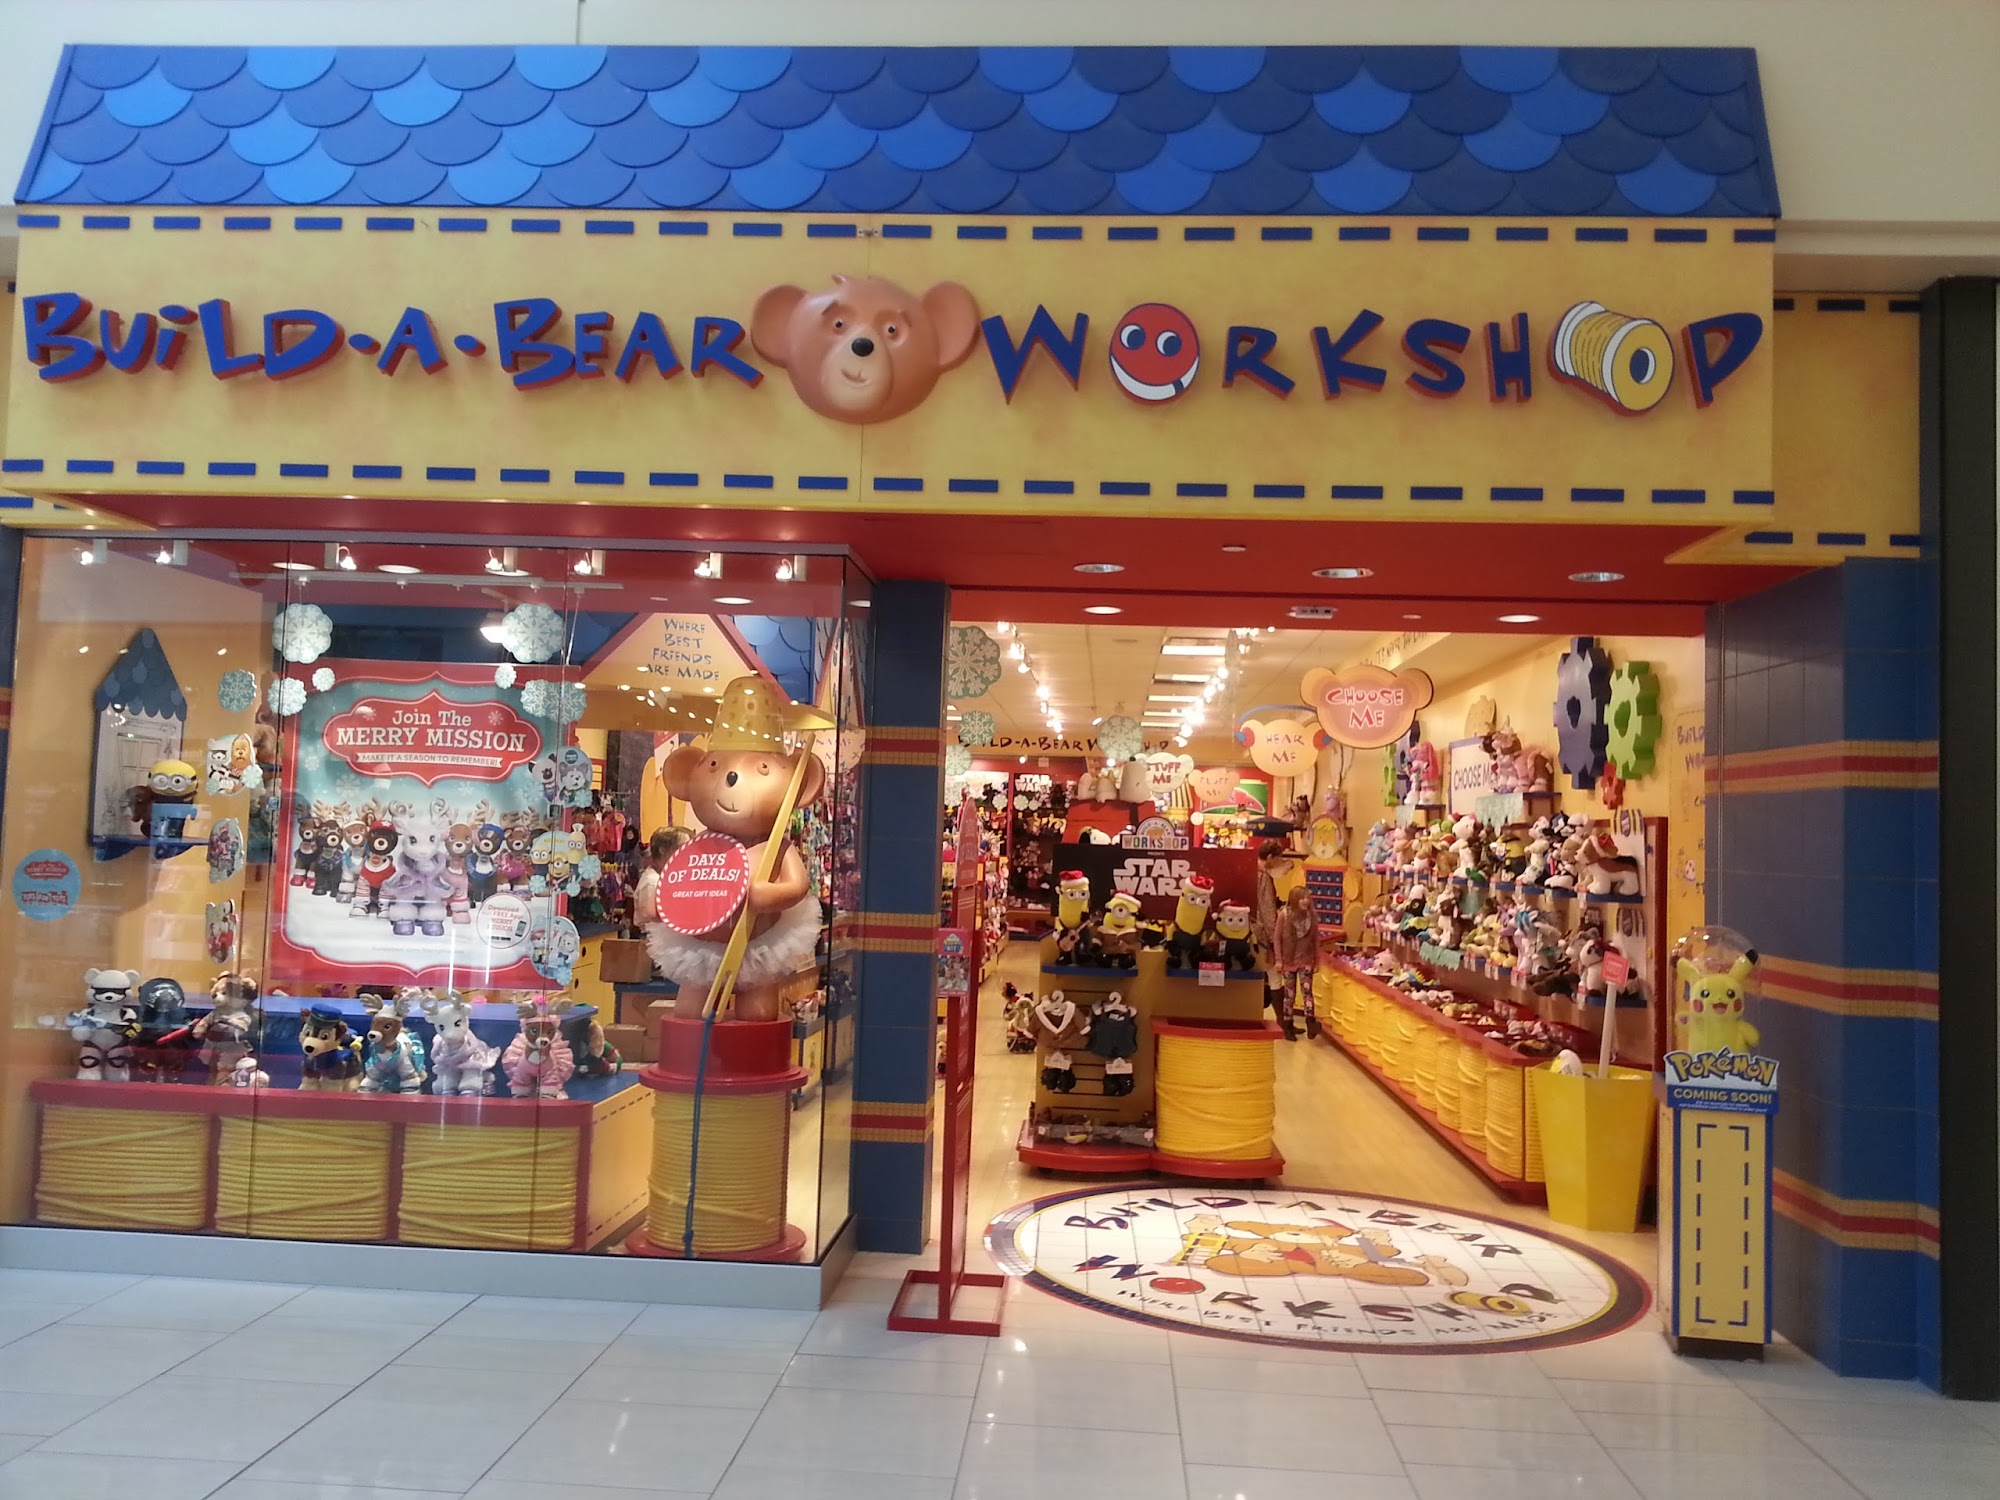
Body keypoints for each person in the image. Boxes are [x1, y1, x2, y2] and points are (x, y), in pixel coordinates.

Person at [1273, 886, 1321, 1040]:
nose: (1305, 901)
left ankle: (1311, 1023)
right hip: (1288, 960)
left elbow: (1316, 940)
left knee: (1307, 991)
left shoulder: (1311, 916)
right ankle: (1288, 1026)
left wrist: (1317, 960)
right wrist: (1279, 960)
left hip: (1305, 959)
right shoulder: (1284, 915)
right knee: (1289, 994)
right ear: (1294, 900)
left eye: (1307, 898)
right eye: (1302, 898)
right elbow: (1277, 938)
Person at [628, 828, 685, 940]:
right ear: (663, 850)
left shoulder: (664, 878)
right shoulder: (652, 882)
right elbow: (650, 915)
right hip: (654, 938)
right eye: (680, 848)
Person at [1253, 838, 1288, 1018]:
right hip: (1262, 934)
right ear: (1269, 857)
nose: (1279, 862)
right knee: (1274, 975)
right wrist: (1275, 938)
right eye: (1278, 858)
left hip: (1248, 929)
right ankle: (1283, 1022)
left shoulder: (1249, 870)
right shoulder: (1264, 877)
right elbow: (1266, 909)